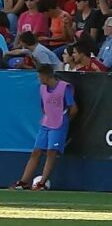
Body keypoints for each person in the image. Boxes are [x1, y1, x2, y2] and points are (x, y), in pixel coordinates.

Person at [12, 53, 73, 190]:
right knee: (36, 152)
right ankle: (23, 182)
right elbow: (43, 106)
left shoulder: (64, 87)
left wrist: (65, 120)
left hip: (59, 123)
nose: (39, 79)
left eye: (40, 76)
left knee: (51, 152)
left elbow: (73, 108)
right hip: (46, 123)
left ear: (46, 76)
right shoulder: (42, 89)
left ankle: (42, 182)